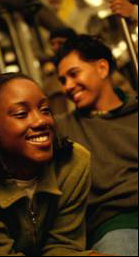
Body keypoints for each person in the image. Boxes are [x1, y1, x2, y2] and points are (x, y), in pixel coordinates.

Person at [0, 72, 108, 256]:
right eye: (21, 114)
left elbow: (64, 245)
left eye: (45, 110)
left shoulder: (73, 162)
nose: (41, 121)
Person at [54, 35, 138, 256]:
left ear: (102, 68)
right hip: (117, 222)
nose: (68, 87)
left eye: (73, 74)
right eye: (63, 80)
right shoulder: (63, 128)